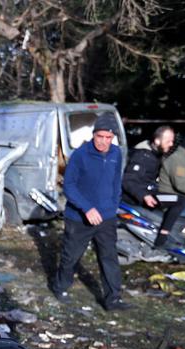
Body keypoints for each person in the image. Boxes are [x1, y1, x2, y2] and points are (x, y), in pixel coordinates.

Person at [52, 114, 130, 311]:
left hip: (107, 218)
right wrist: (87, 208)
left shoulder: (116, 153)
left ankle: (113, 299)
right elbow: (68, 186)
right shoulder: (80, 154)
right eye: (100, 136)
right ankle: (60, 287)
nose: (103, 142)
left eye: (108, 138)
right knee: (71, 256)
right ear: (93, 134)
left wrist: (112, 207)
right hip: (79, 218)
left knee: (109, 257)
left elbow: (115, 182)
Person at [121, 125, 185, 247]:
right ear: (157, 141)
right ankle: (162, 239)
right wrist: (144, 195)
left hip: (149, 190)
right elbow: (128, 180)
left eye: (172, 141)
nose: (171, 144)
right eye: (169, 141)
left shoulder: (156, 154)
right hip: (141, 195)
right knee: (180, 200)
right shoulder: (143, 156)